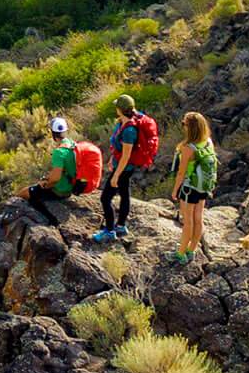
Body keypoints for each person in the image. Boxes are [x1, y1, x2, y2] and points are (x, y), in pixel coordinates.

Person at [92, 96, 158, 242]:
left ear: (120, 109)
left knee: (105, 198)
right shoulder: (126, 120)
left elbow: (126, 156)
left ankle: (109, 231)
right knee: (124, 193)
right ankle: (121, 226)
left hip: (124, 168)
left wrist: (116, 175)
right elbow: (119, 149)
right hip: (123, 166)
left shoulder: (129, 130)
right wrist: (112, 158)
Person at [170, 111, 219, 262]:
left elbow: (181, 173)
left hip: (189, 187)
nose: (183, 126)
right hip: (203, 186)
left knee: (188, 221)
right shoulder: (208, 141)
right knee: (198, 217)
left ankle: (180, 254)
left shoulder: (189, 148)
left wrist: (175, 190)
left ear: (190, 128)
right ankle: (191, 250)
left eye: (184, 124)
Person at [24, 116, 93, 210]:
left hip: (61, 191)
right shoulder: (72, 144)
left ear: (53, 134)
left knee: (24, 193)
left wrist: (44, 185)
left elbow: (55, 178)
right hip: (72, 186)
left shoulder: (59, 152)